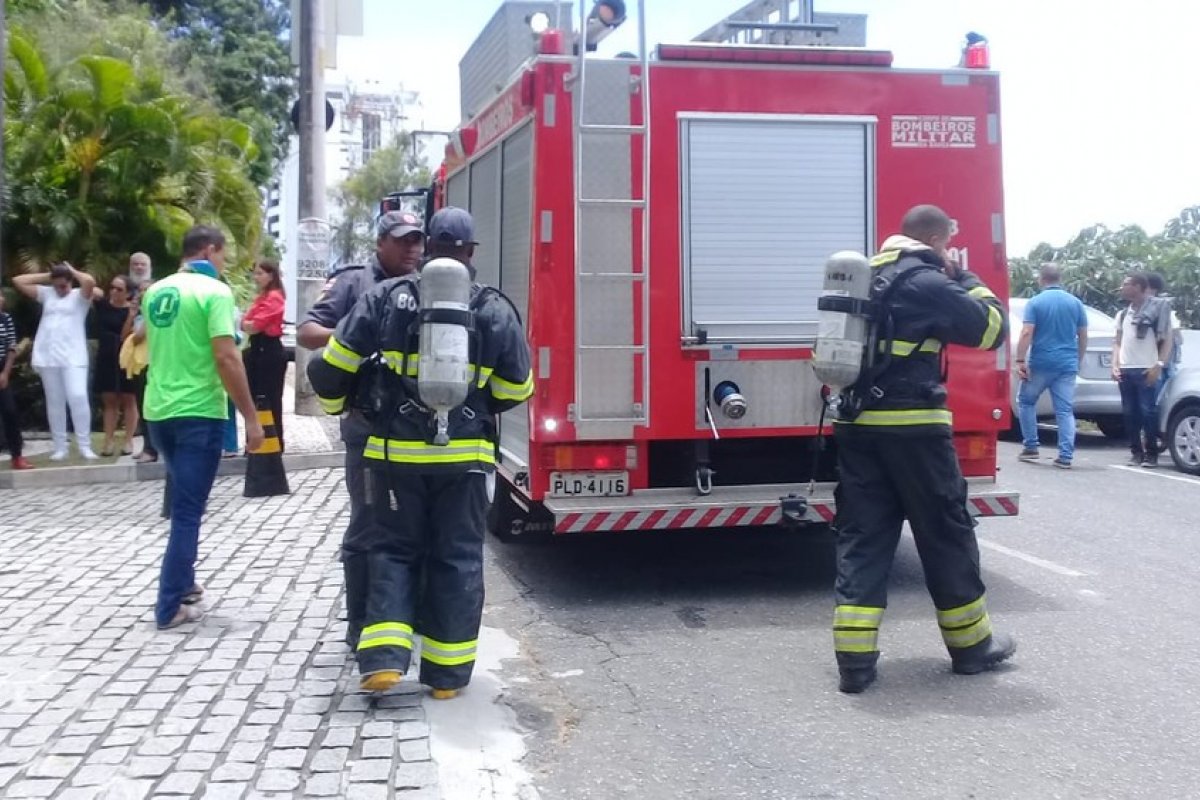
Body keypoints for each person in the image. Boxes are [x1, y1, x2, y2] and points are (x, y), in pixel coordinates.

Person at [309, 206, 533, 697]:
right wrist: (474, 404)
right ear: (471, 253)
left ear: (428, 245)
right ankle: (447, 679)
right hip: (464, 461)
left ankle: (385, 663)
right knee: (457, 557)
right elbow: (518, 389)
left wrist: (340, 406)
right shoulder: (494, 308)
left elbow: (329, 369)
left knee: (390, 549)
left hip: (394, 459)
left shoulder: (385, 298)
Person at [830, 204, 1015, 694]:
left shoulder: (863, 277)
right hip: (915, 430)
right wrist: (966, 274)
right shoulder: (928, 283)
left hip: (857, 427)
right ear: (937, 241)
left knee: (863, 537)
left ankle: (855, 663)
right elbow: (992, 327)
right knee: (944, 533)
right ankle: (972, 650)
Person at [298, 210, 426, 649]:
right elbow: (308, 331)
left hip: (414, 431)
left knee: (411, 527)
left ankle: (403, 618)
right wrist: (355, 332)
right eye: (403, 240)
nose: (412, 248)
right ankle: (360, 625)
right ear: (380, 244)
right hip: (365, 425)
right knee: (369, 525)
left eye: (417, 241)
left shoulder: (427, 283)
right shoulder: (354, 282)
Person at [143, 225, 264, 629]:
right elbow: (226, 357)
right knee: (188, 512)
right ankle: (169, 604)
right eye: (223, 254)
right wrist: (250, 417)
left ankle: (186, 583)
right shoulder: (215, 293)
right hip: (199, 411)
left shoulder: (156, 291)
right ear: (210, 250)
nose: (224, 262)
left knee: (181, 498)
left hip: (159, 411)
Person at [13, 263, 98, 461]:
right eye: (57, 286)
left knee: (77, 396)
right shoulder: (47, 293)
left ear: (70, 282)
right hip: (48, 355)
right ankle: (60, 446)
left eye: (64, 285)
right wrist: (49, 276)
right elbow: (18, 281)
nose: (61, 289)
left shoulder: (79, 296)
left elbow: (89, 281)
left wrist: (72, 270)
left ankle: (85, 445)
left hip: (73, 356)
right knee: (55, 401)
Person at [1014, 263, 1088, 468]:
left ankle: (1031, 447)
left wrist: (1020, 360)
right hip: (1067, 364)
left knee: (1026, 401)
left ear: (1041, 279)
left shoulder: (1036, 302)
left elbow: (1027, 332)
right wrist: (1077, 360)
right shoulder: (1075, 303)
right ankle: (1065, 456)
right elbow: (1082, 335)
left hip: (1041, 363)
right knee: (1064, 410)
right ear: (1059, 279)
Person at [1112, 272, 1172, 468]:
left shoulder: (1157, 310)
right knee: (1129, 413)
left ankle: (1151, 453)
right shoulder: (1122, 314)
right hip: (1126, 369)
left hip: (1147, 368)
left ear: (1138, 287)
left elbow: (1168, 341)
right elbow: (1118, 342)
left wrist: (1159, 365)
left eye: (1126, 284)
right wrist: (1115, 364)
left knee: (1148, 412)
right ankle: (1136, 452)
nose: (1122, 287)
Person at [241, 259, 288, 450]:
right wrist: (247, 324)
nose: (256, 277)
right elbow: (246, 321)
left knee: (270, 398)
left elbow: (255, 325)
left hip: (269, 350)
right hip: (256, 349)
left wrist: (248, 324)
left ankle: (274, 440)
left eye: (260, 273)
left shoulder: (275, 297)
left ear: (271, 275)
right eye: (255, 273)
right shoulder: (261, 297)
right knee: (253, 397)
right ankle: (254, 441)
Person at [92, 275, 140, 456]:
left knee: (129, 399)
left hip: (126, 356)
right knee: (109, 400)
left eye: (119, 289)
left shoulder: (134, 311)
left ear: (128, 293)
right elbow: (90, 287)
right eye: (112, 287)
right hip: (106, 356)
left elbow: (124, 335)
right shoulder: (103, 305)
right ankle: (108, 440)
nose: (114, 291)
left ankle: (128, 440)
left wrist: (131, 316)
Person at [126, 252, 159, 463]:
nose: (143, 294)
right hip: (137, 364)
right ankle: (149, 446)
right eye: (141, 291)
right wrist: (131, 313)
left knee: (150, 407)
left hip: (152, 363)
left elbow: (137, 337)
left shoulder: (153, 314)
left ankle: (152, 448)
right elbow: (125, 335)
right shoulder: (138, 311)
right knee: (141, 405)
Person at [0, 291, 32, 470]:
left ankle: (17, 456)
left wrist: (5, 373)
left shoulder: (6, 319)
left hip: (2, 369)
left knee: (10, 411)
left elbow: (11, 347)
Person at [1145, 272, 1182, 404]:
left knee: (1155, 401)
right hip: (1162, 363)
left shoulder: (1161, 308)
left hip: (1160, 363)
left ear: (1152, 289)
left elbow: (1174, 338)